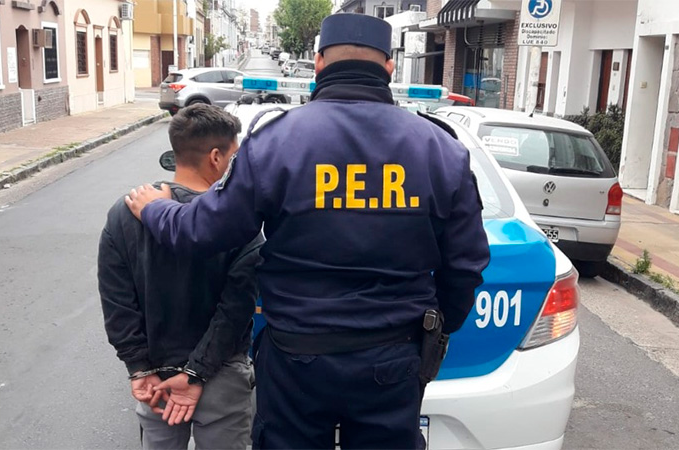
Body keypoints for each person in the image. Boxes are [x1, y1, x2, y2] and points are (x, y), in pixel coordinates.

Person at [124, 13, 490, 449]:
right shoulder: (440, 149)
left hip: (298, 359)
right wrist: (437, 331)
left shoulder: (276, 142)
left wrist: (157, 210)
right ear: (389, 67)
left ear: (318, 63)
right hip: (392, 359)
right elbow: (466, 266)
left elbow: (206, 231)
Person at [98, 104, 263, 450]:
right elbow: (235, 312)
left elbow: (117, 303)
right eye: (236, 156)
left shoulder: (124, 214)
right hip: (221, 377)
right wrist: (196, 373)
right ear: (217, 157)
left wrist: (139, 367)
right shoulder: (238, 222)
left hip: (156, 380)